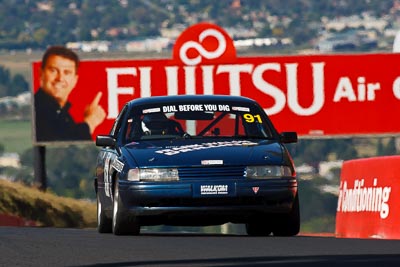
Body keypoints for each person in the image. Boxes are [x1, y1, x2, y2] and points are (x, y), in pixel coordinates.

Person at [34, 46, 106, 142]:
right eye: (53, 70)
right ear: (41, 73)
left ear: (75, 80)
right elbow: (61, 142)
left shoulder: (63, 114)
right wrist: (90, 123)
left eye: (67, 73)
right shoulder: (37, 110)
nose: (60, 78)